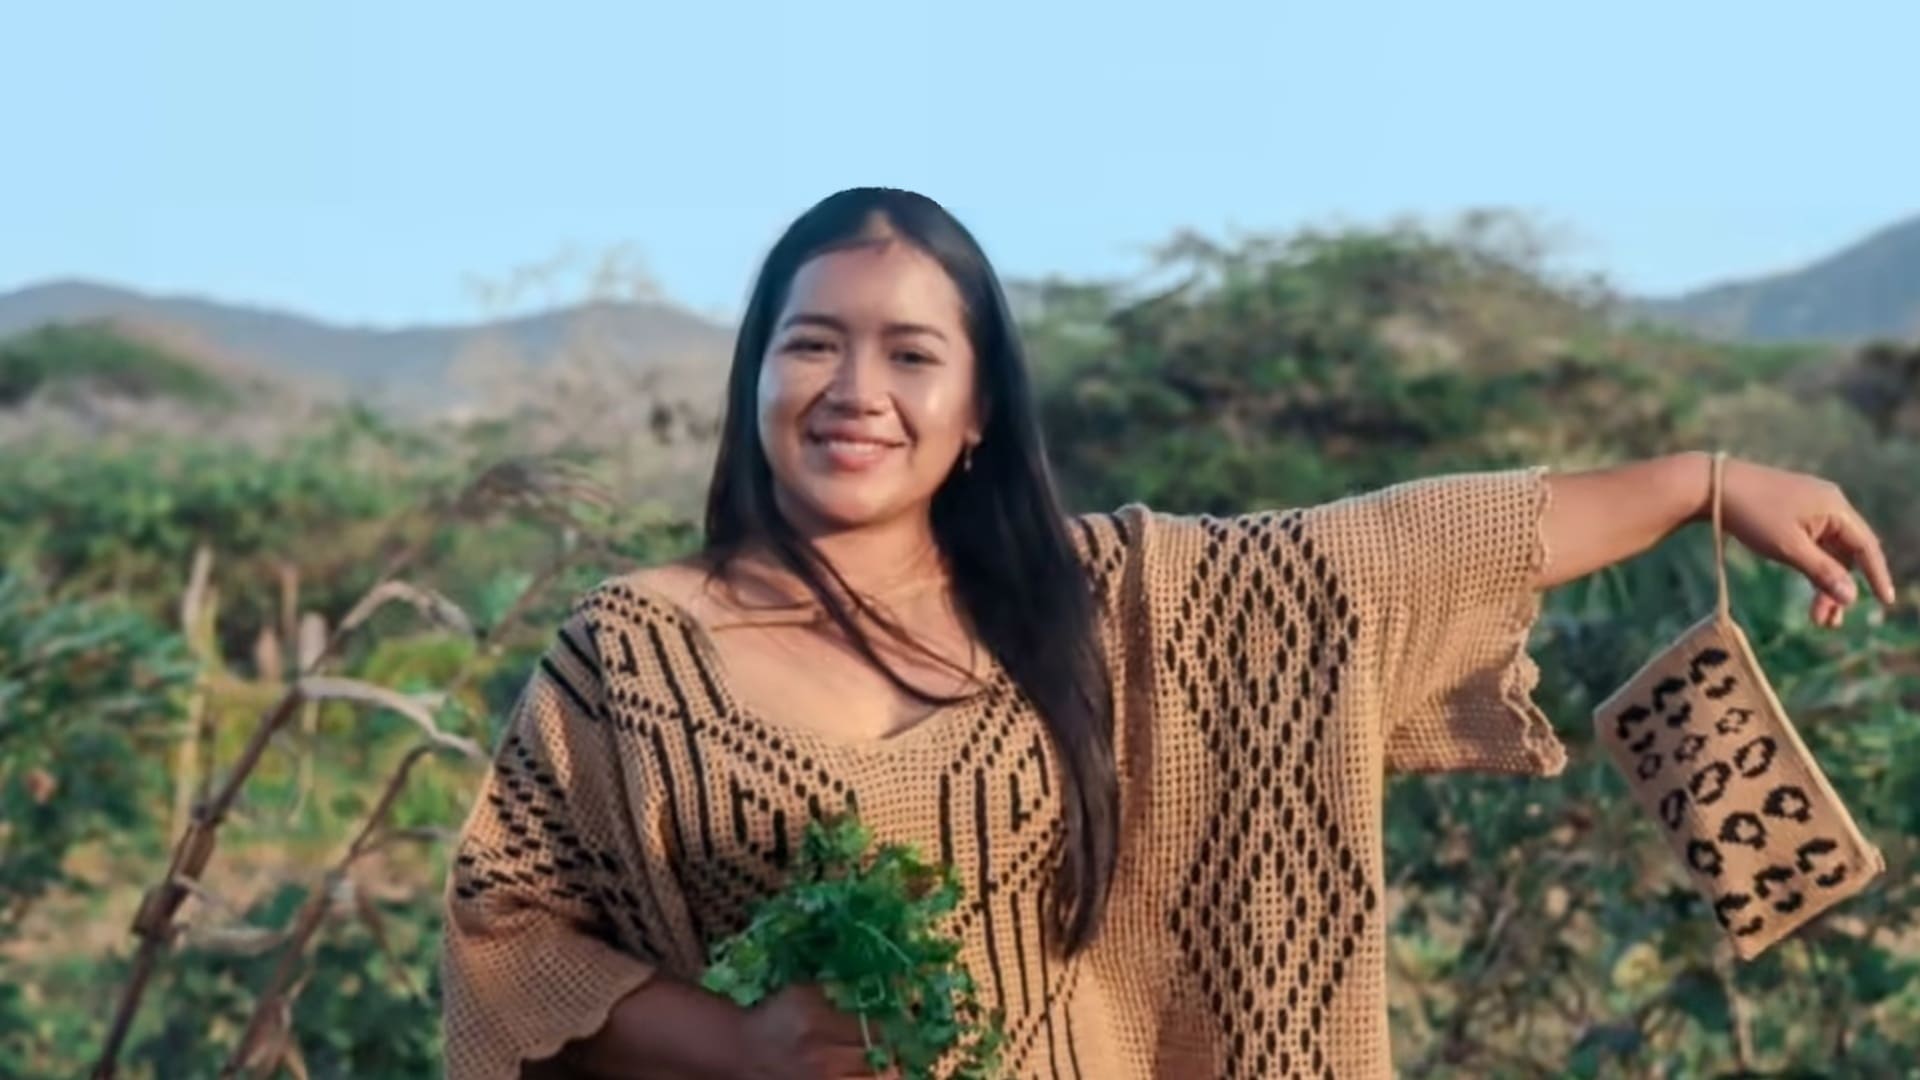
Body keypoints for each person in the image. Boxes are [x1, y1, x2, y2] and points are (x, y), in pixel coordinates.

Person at [437, 187, 1897, 1080]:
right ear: (756, 374)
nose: (853, 389)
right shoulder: (628, 654)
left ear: (980, 408)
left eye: (910, 352)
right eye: (810, 342)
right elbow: (509, 940)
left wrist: (1699, 484)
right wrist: (743, 1047)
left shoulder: (1112, 607)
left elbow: (1384, 553)